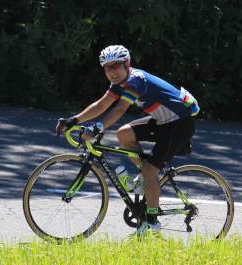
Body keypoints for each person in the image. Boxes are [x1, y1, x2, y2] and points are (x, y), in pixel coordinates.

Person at [56, 45, 199, 238]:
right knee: (124, 134)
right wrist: (74, 120)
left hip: (179, 123)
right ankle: (144, 181)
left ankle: (152, 225)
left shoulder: (136, 81)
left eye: (116, 66)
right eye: (108, 67)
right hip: (162, 122)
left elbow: (120, 109)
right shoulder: (119, 84)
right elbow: (102, 104)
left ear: (127, 64)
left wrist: (98, 127)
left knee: (151, 171)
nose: (112, 71)